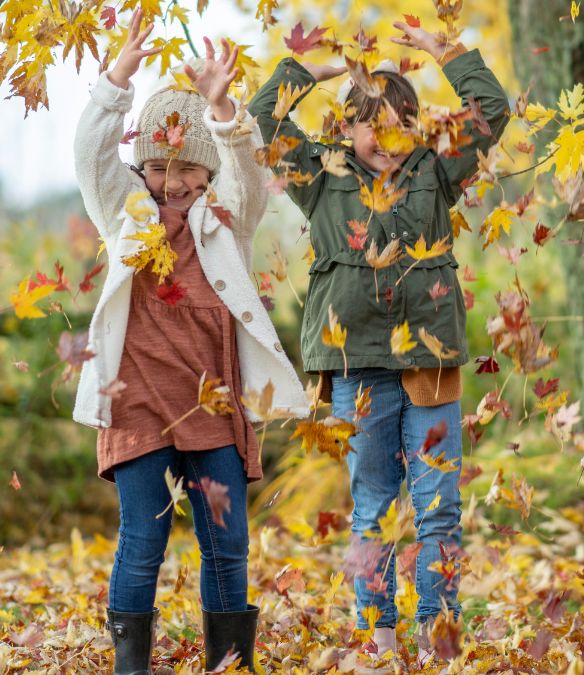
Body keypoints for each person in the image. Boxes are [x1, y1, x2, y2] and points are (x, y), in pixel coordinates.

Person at [249, 19, 509, 667]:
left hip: (430, 364)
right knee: (372, 506)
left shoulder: (437, 171)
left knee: (438, 506)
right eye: (373, 122)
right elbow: (265, 118)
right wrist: (316, 73)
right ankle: (380, 633)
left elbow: (492, 112)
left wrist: (448, 52)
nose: (387, 136)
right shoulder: (322, 174)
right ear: (349, 129)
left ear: (419, 129)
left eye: (401, 123)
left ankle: (438, 632)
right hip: (357, 365)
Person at [72, 11, 307, 673]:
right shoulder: (126, 210)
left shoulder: (225, 217)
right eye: (157, 163)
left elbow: (245, 167)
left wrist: (224, 107)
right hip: (141, 404)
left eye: (183, 166)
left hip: (214, 407)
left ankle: (230, 659)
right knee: (142, 541)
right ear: (140, 163)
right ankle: (131, 665)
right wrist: (116, 79)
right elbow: (91, 152)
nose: (170, 178)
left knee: (228, 542)